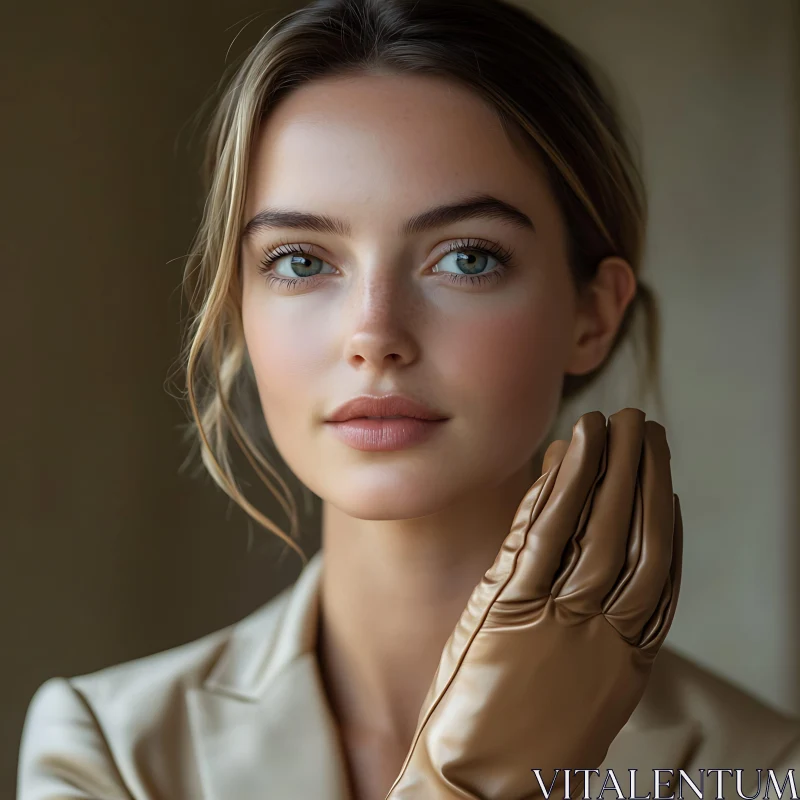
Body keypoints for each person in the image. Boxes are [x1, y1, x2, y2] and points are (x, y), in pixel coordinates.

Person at [17, 1, 800, 798]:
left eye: (465, 258)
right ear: (236, 306)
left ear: (592, 315)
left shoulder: (760, 771)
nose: (374, 333)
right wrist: (475, 780)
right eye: (298, 261)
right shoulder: (108, 749)